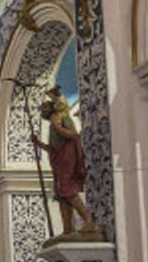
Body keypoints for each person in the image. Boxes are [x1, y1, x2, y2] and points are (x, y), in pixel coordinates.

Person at [31, 91, 100, 240]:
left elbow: (73, 135)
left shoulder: (63, 119)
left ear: (53, 108)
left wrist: (58, 128)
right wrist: (38, 143)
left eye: (45, 108)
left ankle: (88, 220)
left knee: (68, 191)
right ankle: (67, 229)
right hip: (59, 161)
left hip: (67, 159)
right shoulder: (52, 125)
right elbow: (53, 148)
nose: (42, 110)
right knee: (61, 195)